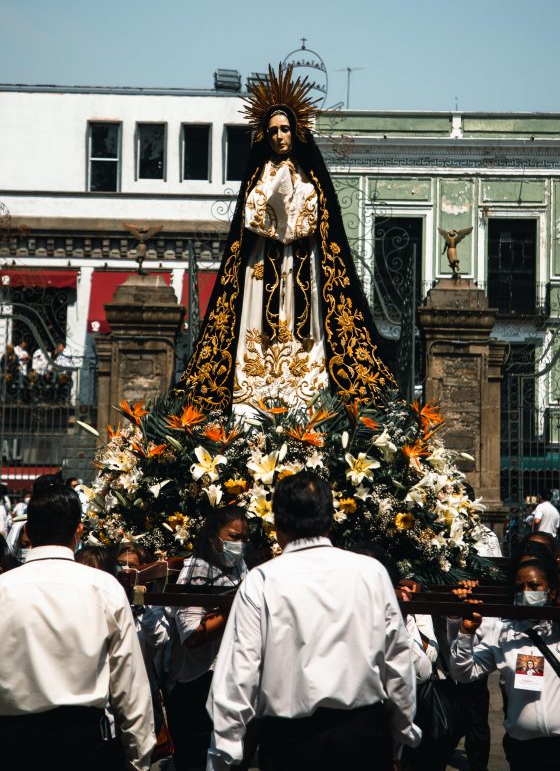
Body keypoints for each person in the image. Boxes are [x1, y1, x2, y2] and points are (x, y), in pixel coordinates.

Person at [178, 64, 397, 412]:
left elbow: (316, 221)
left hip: (302, 267)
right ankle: (253, 403)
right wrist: (271, 193)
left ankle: (305, 398)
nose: (280, 136)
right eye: (273, 131)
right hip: (261, 267)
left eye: (285, 129)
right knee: (254, 329)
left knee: (305, 332)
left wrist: (293, 199)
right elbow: (250, 218)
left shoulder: (310, 176)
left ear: (296, 132)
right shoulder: (259, 174)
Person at [206, 470, 420, 771]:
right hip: (362, 738)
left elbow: (238, 673)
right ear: (331, 520)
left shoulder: (262, 580)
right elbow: (398, 662)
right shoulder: (370, 573)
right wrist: (402, 733)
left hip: (290, 744)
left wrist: (225, 751)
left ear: (277, 524)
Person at [0, 479, 156, 770]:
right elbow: (129, 682)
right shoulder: (103, 588)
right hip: (84, 744)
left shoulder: (4, 589)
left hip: (12, 744)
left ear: (28, 533)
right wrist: (139, 758)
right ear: (78, 531)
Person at [450, 550, 560, 771]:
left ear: (551, 589)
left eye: (534, 586)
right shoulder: (504, 632)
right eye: (519, 588)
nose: (526, 592)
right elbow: (464, 673)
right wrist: (465, 633)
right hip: (523, 751)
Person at [167, 505, 249, 771]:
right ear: (214, 536)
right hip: (196, 684)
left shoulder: (240, 567)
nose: (240, 544)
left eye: (243, 538)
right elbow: (191, 634)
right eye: (234, 537)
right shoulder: (196, 569)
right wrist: (237, 607)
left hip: (229, 680)